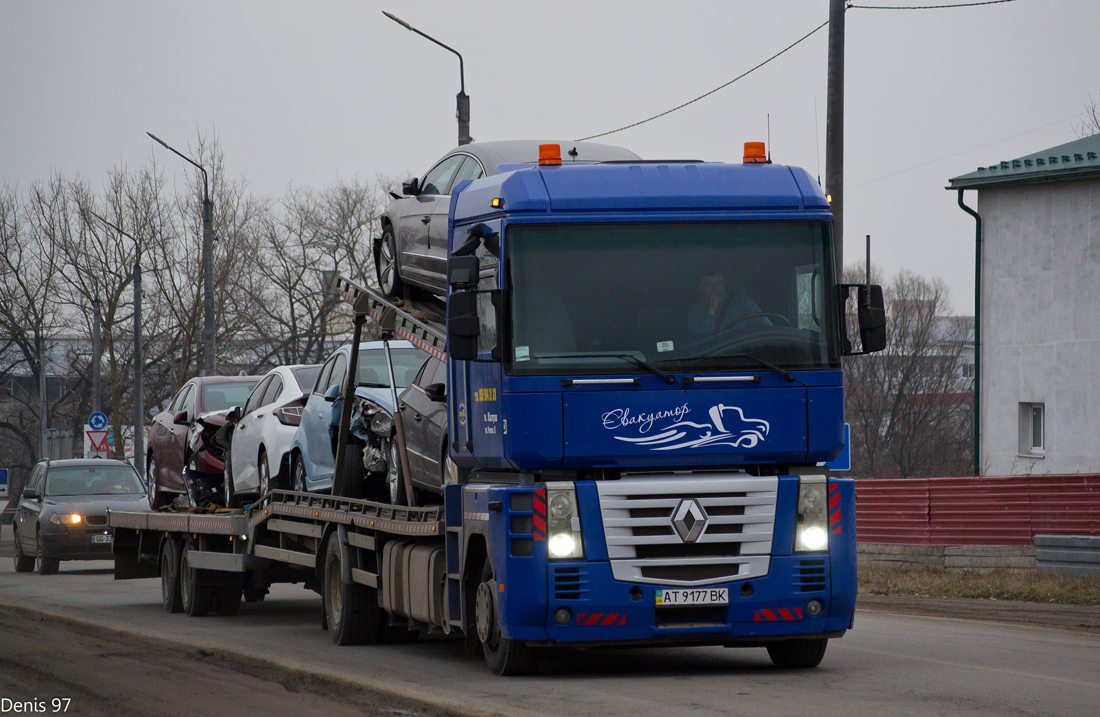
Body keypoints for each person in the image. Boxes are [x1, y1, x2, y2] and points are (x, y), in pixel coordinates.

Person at [687, 270, 770, 335]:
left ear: (725, 283)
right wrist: (711, 312)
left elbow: (764, 323)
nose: (714, 290)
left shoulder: (741, 300)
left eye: (718, 284)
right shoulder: (694, 311)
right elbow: (699, 342)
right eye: (708, 285)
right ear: (701, 287)